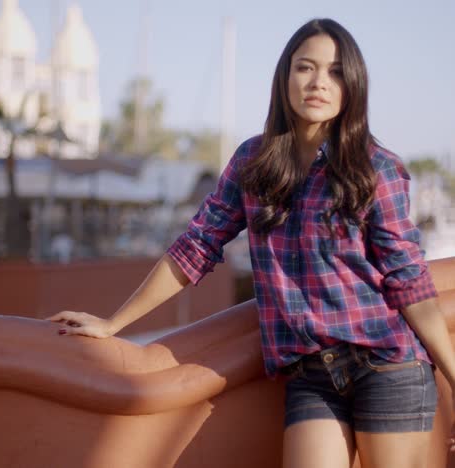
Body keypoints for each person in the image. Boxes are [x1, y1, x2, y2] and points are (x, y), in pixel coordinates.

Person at [47, 18, 455, 468]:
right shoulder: (253, 162)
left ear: (352, 85)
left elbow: (410, 283)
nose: (319, 82)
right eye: (306, 67)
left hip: (389, 365)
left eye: (336, 71)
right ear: (285, 77)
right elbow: (195, 248)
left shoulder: (376, 167)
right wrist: (113, 323)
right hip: (312, 374)